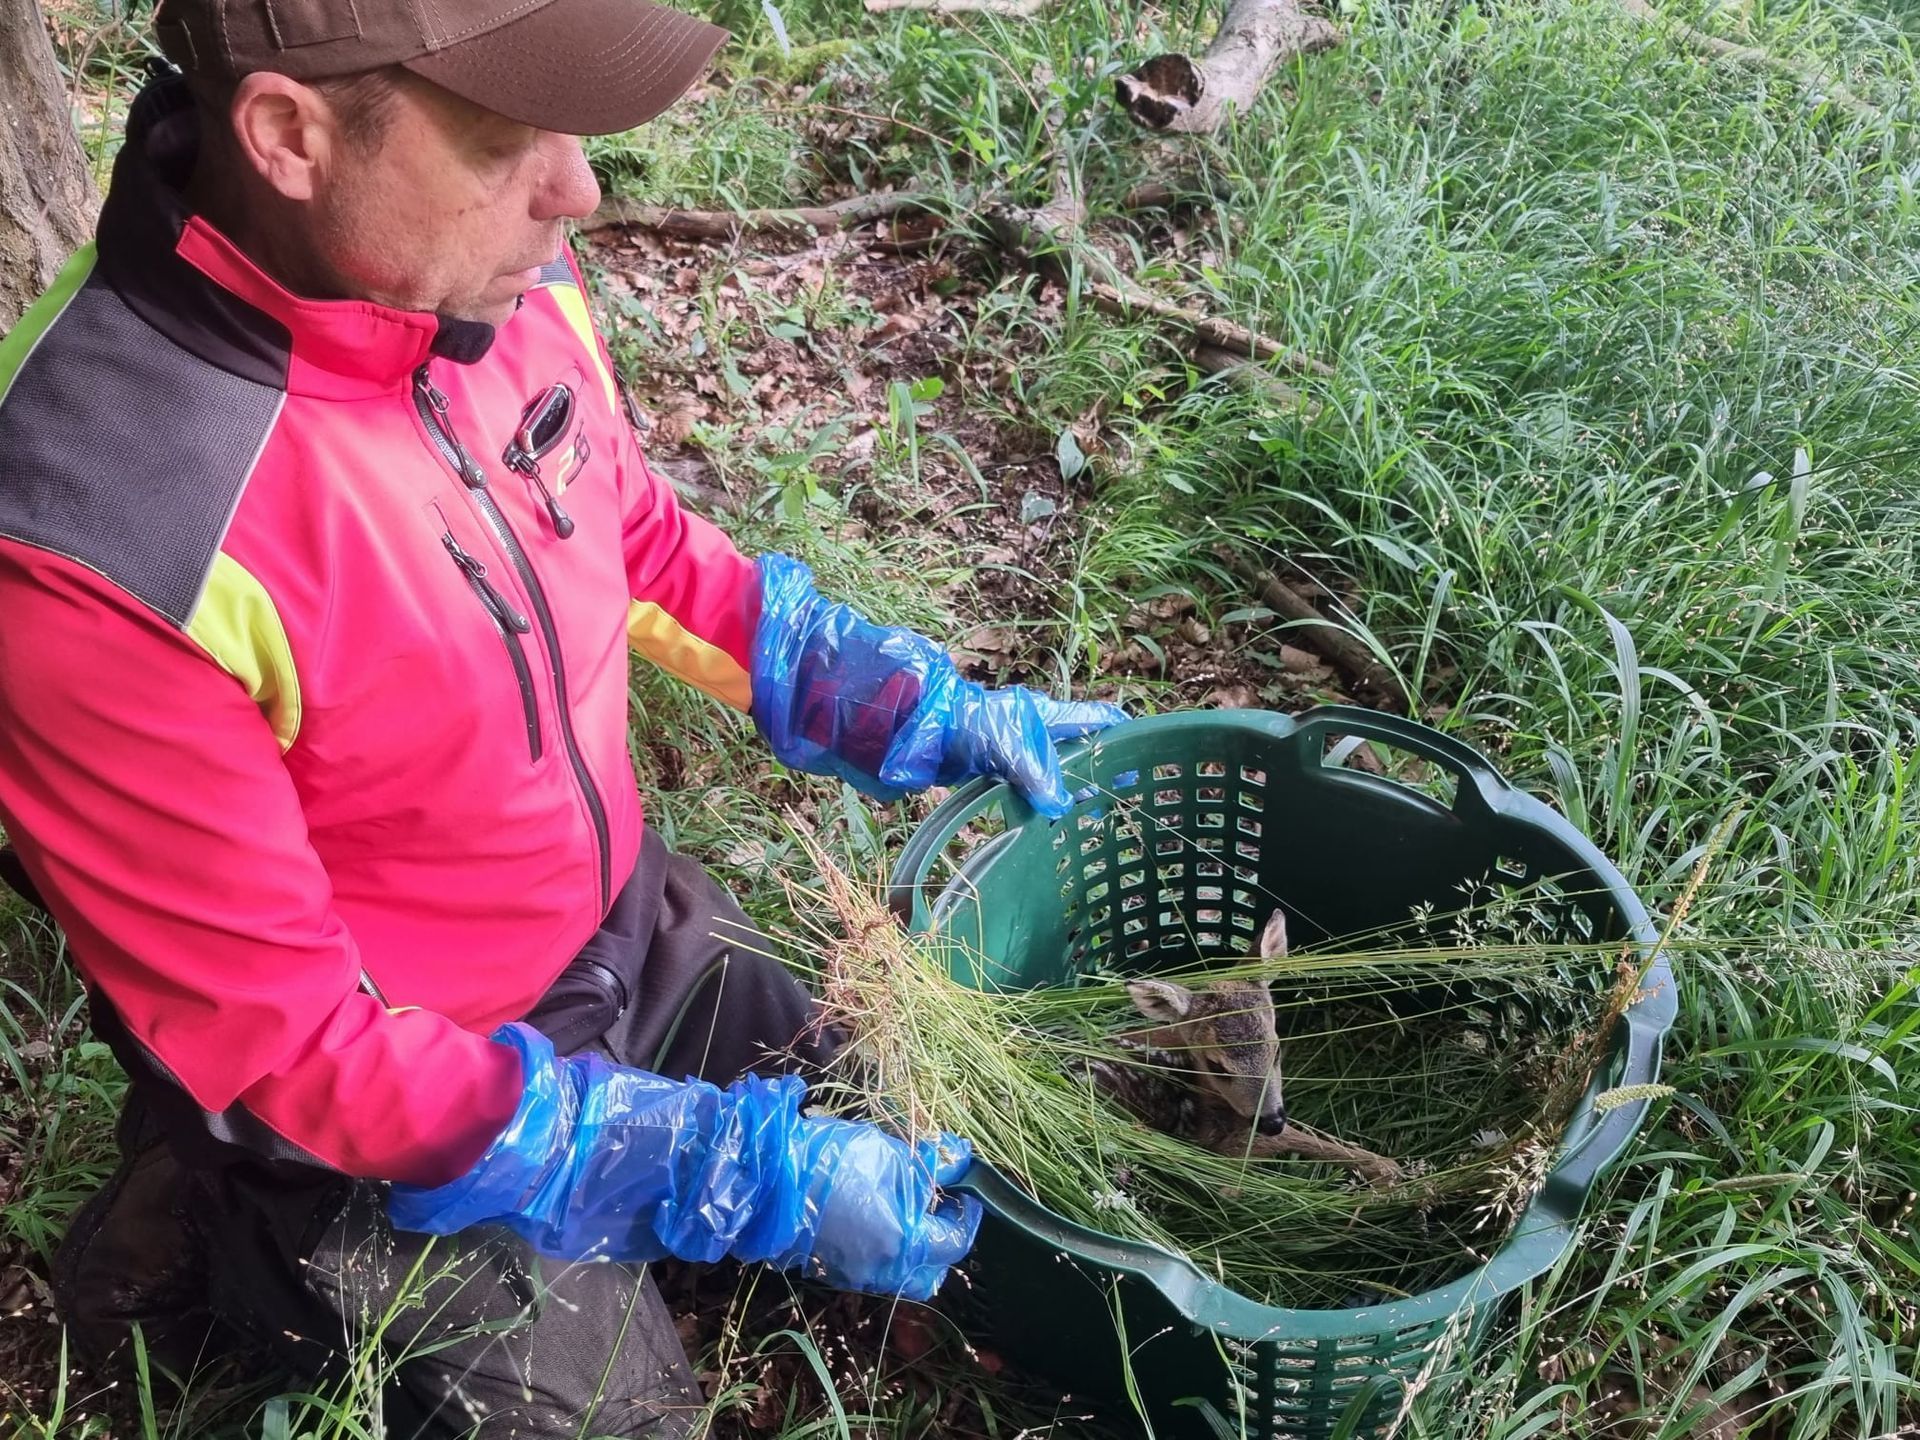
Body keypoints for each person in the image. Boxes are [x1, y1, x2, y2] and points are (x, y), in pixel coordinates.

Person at [0, 0, 1124, 1433]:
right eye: (500, 137)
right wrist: (735, 1171)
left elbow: (632, 541)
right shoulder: (100, 539)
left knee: (963, 1153)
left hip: (618, 930)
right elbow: (291, 1041)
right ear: (288, 133)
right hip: (374, 1105)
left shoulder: (478, 260)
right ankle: (223, 1240)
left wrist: (909, 704)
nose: (577, 190)